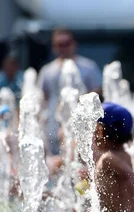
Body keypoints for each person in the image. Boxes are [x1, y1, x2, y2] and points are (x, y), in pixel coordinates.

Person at [38, 28, 102, 156]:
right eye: (59, 44)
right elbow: (43, 99)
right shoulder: (47, 71)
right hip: (53, 126)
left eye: (67, 43)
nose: (64, 48)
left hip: (81, 124)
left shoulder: (88, 67)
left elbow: (98, 94)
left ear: (74, 44)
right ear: (54, 47)